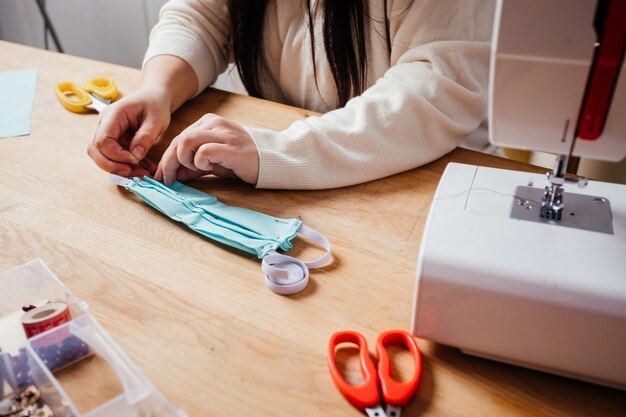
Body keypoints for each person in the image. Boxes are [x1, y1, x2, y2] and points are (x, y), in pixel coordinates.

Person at [87, 0, 495, 190]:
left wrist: (281, 151)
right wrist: (158, 88)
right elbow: (201, 18)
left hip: (432, 182)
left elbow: (433, 91)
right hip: (293, 172)